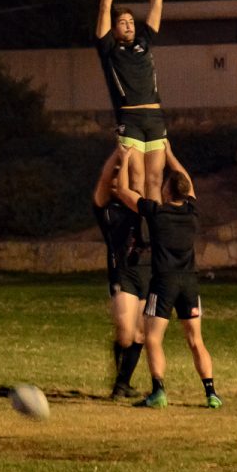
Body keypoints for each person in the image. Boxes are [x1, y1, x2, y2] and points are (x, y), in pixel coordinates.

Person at [113, 142, 222, 409]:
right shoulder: (191, 212)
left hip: (163, 284)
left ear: (167, 190)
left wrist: (125, 159)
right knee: (196, 340)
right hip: (189, 283)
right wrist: (171, 155)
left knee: (152, 338)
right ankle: (211, 394)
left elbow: (123, 191)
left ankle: (158, 391)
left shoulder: (156, 212)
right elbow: (189, 183)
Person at [96, 0, 167, 203]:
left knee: (155, 180)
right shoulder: (109, 48)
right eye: (123, 22)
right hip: (131, 117)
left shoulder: (144, 41)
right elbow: (105, 9)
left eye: (130, 22)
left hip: (154, 115)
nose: (128, 25)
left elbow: (156, 6)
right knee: (136, 179)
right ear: (114, 29)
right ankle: (138, 236)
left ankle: (158, 234)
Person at [92, 147, 149, 399]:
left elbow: (140, 178)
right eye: (116, 177)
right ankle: (120, 380)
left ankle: (122, 385)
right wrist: (120, 153)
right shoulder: (105, 207)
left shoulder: (138, 203)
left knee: (140, 333)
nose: (118, 178)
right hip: (122, 273)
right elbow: (105, 178)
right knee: (125, 335)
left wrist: (134, 149)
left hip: (145, 273)